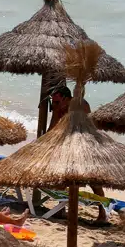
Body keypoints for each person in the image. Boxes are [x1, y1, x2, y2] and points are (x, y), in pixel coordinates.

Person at [48, 86, 108, 224]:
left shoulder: (81, 105)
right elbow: (52, 127)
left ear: (66, 98)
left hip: (86, 145)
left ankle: (103, 214)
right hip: (67, 146)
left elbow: (88, 127)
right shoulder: (58, 108)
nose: (55, 105)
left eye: (57, 102)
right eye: (53, 102)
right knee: (62, 178)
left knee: (95, 183)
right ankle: (60, 209)